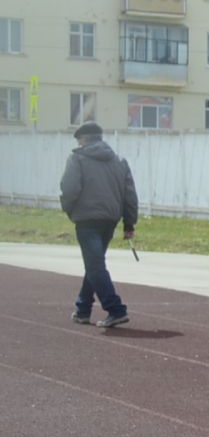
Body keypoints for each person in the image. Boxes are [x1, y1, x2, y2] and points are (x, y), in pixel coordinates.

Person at [59, 121, 137, 329]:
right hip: (110, 219)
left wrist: (68, 209)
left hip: (86, 219)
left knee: (94, 265)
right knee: (94, 264)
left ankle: (116, 309)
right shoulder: (120, 161)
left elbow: (69, 189)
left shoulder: (78, 158)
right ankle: (83, 309)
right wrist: (129, 223)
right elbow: (130, 194)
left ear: (83, 140)